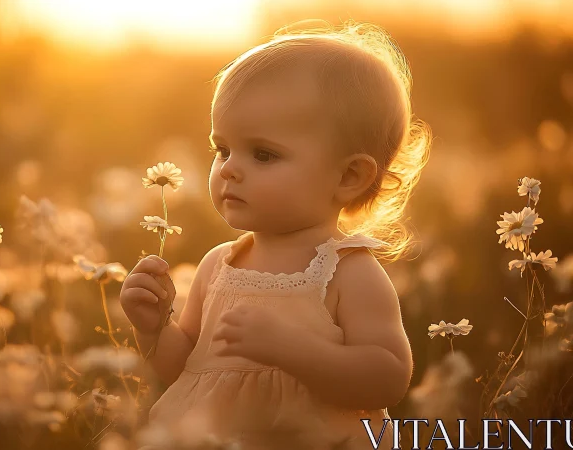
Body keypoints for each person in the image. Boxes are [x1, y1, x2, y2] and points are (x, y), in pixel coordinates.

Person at [120, 19, 431, 450]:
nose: (228, 168)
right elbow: (188, 372)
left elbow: (387, 378)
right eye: (222, 149)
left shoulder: (347, 273)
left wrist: (291, 349)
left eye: (263, 154)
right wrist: (155, 331)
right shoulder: (218, 265)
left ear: (349, 176)